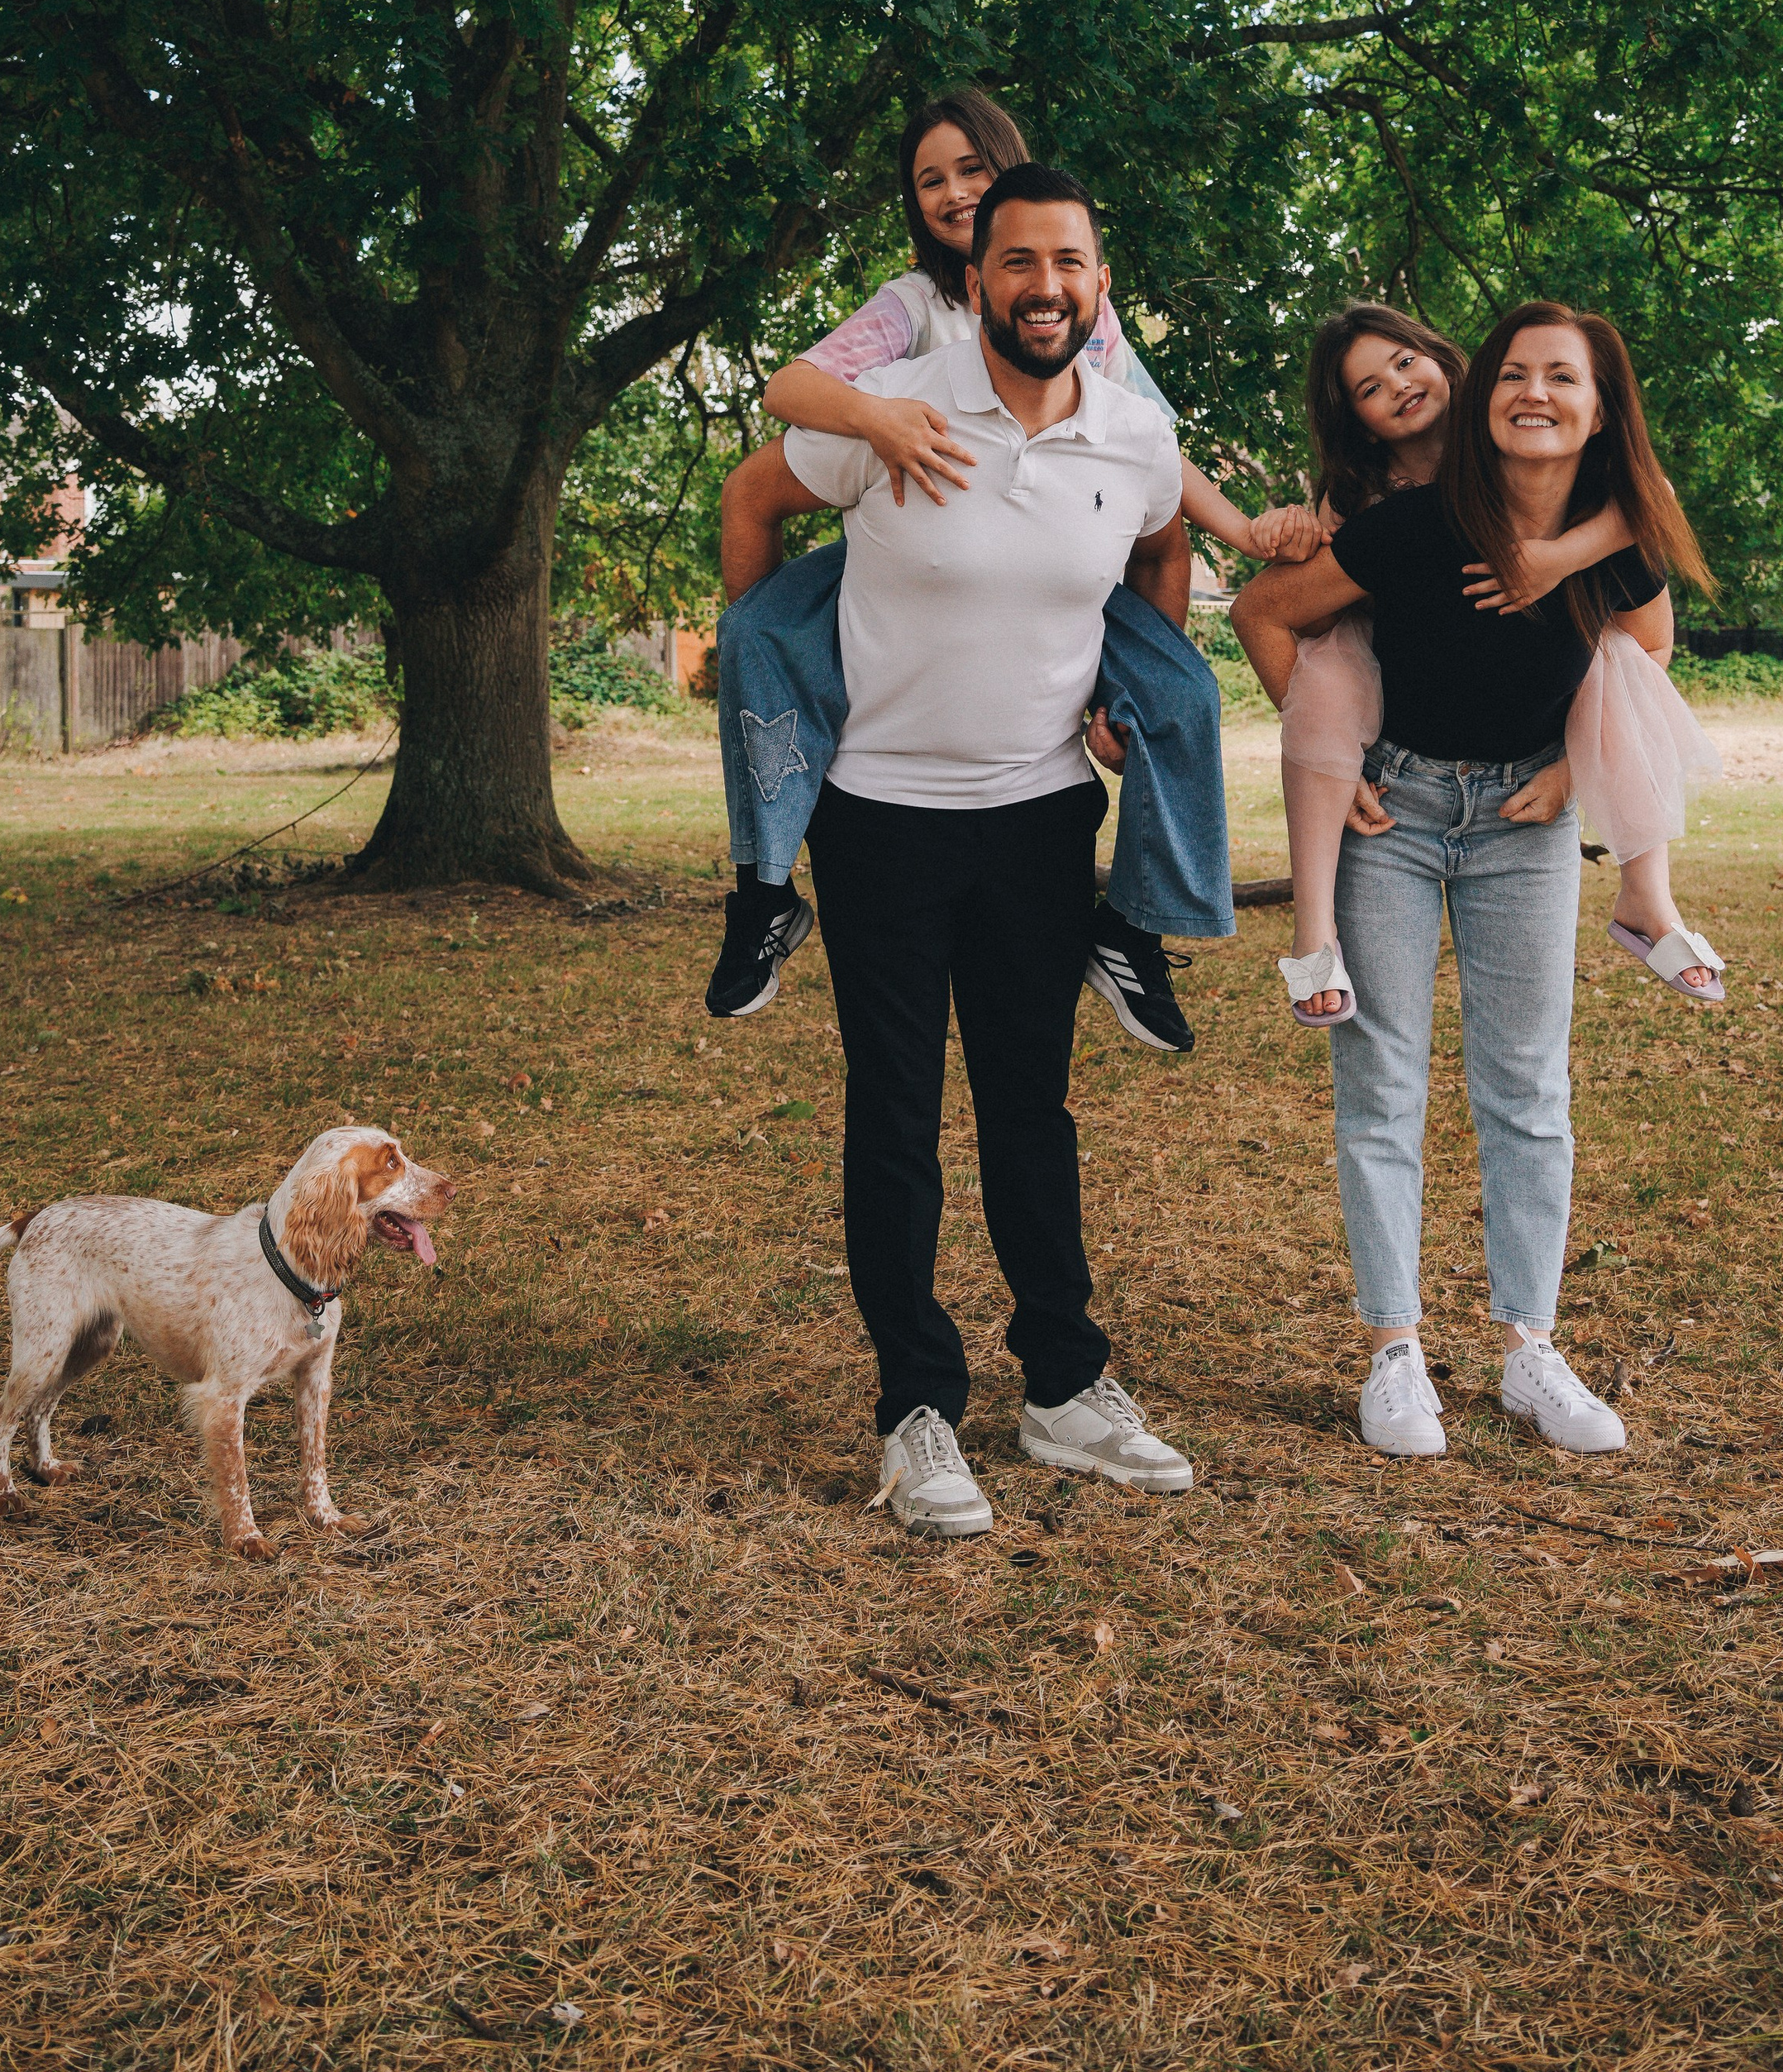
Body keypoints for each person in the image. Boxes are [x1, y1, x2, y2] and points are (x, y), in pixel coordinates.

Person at [718, 164, 1198, 1535]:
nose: (1045, 286)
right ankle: (916, 1410)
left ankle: (1065, 1388)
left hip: (1045, 820)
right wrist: (776, 674)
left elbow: (1164, 550)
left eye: (1071, 264)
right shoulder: (895, 409)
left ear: (1098, 287)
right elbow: (754, 500)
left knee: (1030, 1111)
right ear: (976, 276)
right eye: (1019, 262)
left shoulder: (1132, 440)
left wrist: (1135, 681)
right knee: (896, 1116)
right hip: (878, 819)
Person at [707, 88, 1317, 1043]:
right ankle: (762, 890)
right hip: (904, 534)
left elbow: (1147, 441)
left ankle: (1134, 927)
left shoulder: (1077, 311)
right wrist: (877, 416)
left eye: (971, 170)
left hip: (1062, 557)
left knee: (1188, 699)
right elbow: (791, 387)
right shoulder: (911, 308)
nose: (952, 192)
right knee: (750, 637)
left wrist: (1241, 531)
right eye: (929, 181)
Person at [1232, 301, 1714, 1461]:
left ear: (1599, 410)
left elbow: (1644, 652)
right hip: (1396, 813)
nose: (1536, 394)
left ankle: (1530, 1348)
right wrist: (1328, 758)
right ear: (1485, 389)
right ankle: (1396, 1353)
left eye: (1565, 379)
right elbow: (1265, 609)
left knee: (1526, 1087)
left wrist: (1567, 766)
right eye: (1519, 374)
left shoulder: (1620, 534)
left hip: (1523, 827)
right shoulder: (1406, 526)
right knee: (1381, 1081)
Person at [1251, 303, 1723, 1025]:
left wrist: (1551, 562)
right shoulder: (1367, 501)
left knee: (1620, 659)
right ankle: (1314, 927)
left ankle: (1647, 892)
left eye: (1406, 362)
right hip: (1384, 713)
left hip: (1521, 787)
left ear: (1448, 365)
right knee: (1327, 682)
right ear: (1358, 422)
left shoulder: (1576, 487)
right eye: (1371, 388)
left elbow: (1648, 513)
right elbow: (1275, 609)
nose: (1399, 387)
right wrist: (1331, 760)